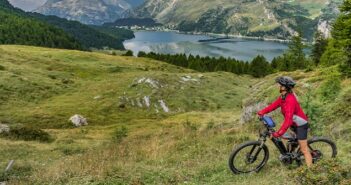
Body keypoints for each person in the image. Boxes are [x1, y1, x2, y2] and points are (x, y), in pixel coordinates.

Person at [257, 76, 313, 167]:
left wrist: (278, 133)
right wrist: (261, 112)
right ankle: (290, 158)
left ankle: (311, 170)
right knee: (292, 142)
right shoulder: (283, 97)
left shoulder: (290, 100)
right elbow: (273, 106)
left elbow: (288, 120)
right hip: (294, 124)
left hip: (301, 125)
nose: (278, 86)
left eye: (280, 84)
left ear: (285, 87)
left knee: (304, 150)